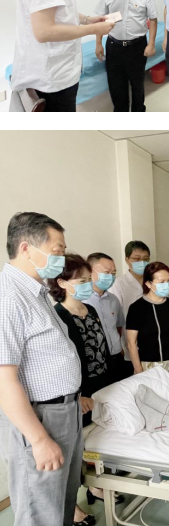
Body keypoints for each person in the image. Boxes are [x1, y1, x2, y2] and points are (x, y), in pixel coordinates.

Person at [0, 212, 82, 526]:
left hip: (65, 411)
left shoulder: (36, 291)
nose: (61, 258)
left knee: (61, 507)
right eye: (57, 251)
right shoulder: (9, 297)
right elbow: (4, 379)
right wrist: (38, 439)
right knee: (40, 513)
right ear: (26, 248)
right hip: (40, 418)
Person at [48, 254, 122, 518]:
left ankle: (95, 487)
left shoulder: (89, 310)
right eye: (82, 281)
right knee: (74, 448)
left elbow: (101, 347)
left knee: (96, 441)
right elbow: (61, 362)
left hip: (101, 383)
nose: (88, 284)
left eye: (89, 279)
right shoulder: (58, 316)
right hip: (78, 390)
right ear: (63, 283)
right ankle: (73, 506)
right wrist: (77, 394)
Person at [94, 0, 158, 112]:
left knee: (137, 84)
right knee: (116, 85)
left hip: (137, 46)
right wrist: (98, 43)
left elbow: (153, 19)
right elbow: (101, 19)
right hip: (114, 45)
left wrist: (151, 44)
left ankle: (138, 112)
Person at [126, 262, 169, 382]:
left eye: (168, 281)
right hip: (148, 365)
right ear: (148, 284)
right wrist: (138, 368)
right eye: (161, 282)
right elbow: (131, 342)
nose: (166, 285)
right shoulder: (136, 308)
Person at [86, 252, 130, 384]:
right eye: (106, 272)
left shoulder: (113, 299)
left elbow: (118, 326)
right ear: (90, 271)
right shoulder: (82, 300)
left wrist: (119, 348)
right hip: (95, 360)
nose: (110, 276)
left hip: (117, 357)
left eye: (113, 273)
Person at [110, 240, 150, 363]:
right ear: (127, 260)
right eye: (136, 259)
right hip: (129, 341)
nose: (141, 262)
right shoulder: (118, 284)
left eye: (145, 259)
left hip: (152, 340)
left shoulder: (153, 282)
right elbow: (115, 318)